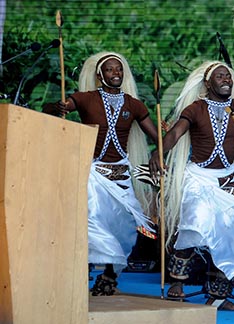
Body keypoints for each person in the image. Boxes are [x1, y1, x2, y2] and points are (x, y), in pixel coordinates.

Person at [150, 60, 234, 311]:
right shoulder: (196, 108)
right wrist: (158, 152)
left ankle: (218, 295)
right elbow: (175, 133)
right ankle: (177, 283)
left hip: (228, 179)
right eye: (220, 76)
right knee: (196, 224)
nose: (226, 80)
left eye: (228, 76)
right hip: (200, 178)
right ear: (208, 83)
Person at [45, 52, 160, 296]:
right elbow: (61, 107)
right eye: (109, 69)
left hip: (122, 176)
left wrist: (156, 154)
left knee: (124, 229)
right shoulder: (86, 99)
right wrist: (55, 107)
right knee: (93, 222)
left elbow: (157, 139)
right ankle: (79, 272)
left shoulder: (134, 104)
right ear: (100, 75)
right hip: (94, 174)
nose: (115, 73)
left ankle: (109, 275)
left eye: (119, 69)